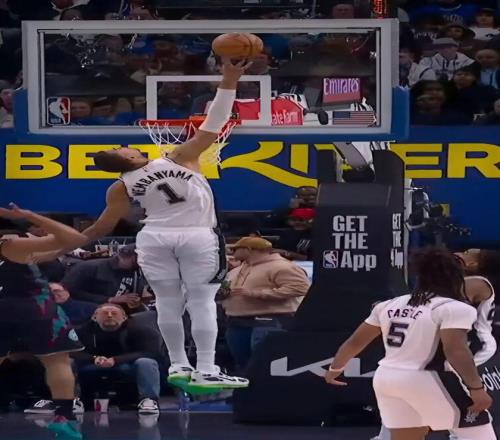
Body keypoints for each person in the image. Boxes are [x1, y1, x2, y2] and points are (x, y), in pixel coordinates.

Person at [67, 60, 251, 388]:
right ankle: (206, 368)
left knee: (167, 302)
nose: (126, 145)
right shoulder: (179, 157)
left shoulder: (120, 186)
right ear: (128, 157)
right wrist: (230, 78)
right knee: (201, 301)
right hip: (196, 235)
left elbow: (99, 230)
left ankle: (178, 365)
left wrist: (58, 246)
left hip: (153, 237)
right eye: (121, 147)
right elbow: (215, 121)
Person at [325, 248, 496, 440]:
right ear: (456, 277)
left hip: (386, 379)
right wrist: (476, 388)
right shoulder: (455, 308)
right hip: (426, 377)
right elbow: (455, 350)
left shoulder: (389, 304)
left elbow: (355, 341)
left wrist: (335, 368)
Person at [0, 204, 86, 438]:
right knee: (57, 361)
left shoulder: (18, 250)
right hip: (34, 307)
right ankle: (64, 418)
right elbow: (76, 238)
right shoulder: (10, 246)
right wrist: (30, 216)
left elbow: (52, 251)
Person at [222, 237, 310, 371]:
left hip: (268, 322)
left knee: (264, 367)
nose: (232, 252)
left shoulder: (283, 266)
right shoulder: (237, 270)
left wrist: (258, 293)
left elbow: (301, 288)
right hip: (237, 322)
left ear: (248, 249)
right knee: (242, 366)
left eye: (235, 249)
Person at [72, 304, 164, 414]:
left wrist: (116, 360)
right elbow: (71, 352)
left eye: (114, 313)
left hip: (127, 364)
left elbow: (150, 352)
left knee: (146, 362)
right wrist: (94, 359)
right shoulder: (81, 332)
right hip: (92, 364)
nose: (110, 316)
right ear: (94, 317)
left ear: (124, 317)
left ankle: (148, 400)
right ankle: (73, 400)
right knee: (66, 363)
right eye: (105, 313)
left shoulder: (141, 330)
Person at [61, 244, 147, 314]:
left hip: (122, 312)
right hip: (92, 312)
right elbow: (68, 291)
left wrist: (135, 299)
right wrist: (109, 299)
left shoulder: (136, 272)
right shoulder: (89, 267)